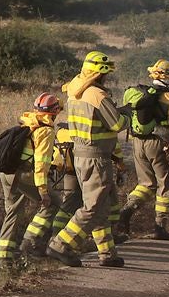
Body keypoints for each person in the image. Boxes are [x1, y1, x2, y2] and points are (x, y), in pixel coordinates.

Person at [46, 51, 128, 268]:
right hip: (96, 158)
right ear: (99, 74)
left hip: (81, 155)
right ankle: (61, 245)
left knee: (100, 206)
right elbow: (118, 124)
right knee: (92, 206)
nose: (107, 78)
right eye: (106, 74)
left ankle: (107, 253)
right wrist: (127, 114)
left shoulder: (75, 91)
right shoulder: (97, 95)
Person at [115, 59, 169, 242]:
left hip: (138, 143)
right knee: (165, 185)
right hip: (160, 144)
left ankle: (126, 211)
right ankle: (160, 227)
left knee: (146, 184)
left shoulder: (138, 94)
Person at [0, 93, 60, 268]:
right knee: (53, 203)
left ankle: (5, 259)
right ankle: (29, 243)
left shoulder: (27, 121)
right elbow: (41, 163)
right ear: (54, 112)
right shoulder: (46, 131)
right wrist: (43, 190)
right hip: (23, 175)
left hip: (6, 173)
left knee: (13, 212)